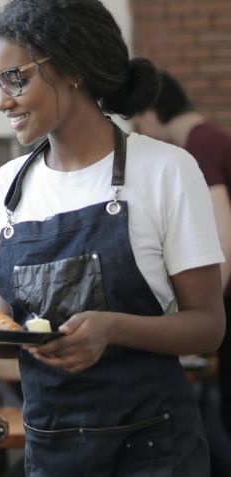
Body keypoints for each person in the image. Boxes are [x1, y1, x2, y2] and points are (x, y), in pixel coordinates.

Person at [0, 1, 225, 475]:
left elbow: (208, 326)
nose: (1, 102)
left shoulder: (166, 170)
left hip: (153, 450)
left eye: (15, 79)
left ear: (73, 69)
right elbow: (16, 336)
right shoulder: (7, 188)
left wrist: (112, 328)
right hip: (53, 449)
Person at [131, 71, 231, 473]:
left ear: (151, 111)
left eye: (138, 126)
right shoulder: (214, 138)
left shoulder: (200, 147)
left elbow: (223, 236)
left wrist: (199, 316)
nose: (141, 136)